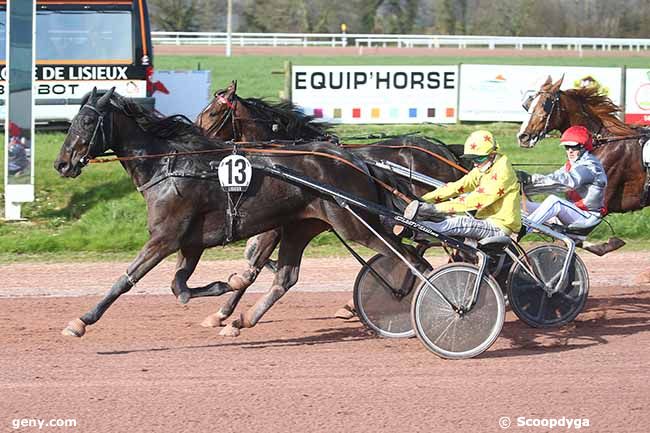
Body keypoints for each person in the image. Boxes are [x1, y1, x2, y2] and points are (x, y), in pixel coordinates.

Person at [393, 130, 521, 240]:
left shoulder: (502, 173)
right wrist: (424, 199)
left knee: (458, 222)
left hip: (499, 226)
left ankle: (414, 231)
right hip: (485, 220)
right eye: (471, 159)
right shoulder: (487, 165)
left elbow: (474, 200)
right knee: (449, 219)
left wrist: (434, 208)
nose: (475, 163)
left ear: (492, 154)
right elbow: (459, 186)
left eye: (478, 159)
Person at [519, 125, 607, 229]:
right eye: (567, 147)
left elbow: (566, 181)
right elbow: (553, 180)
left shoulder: (589, 166)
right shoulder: (571, 164)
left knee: (554, 201)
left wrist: (531, 179)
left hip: (587, 217)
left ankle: (525, 230)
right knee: (520, 205)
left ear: (583, 147)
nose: (570, 151)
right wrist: (524, 187)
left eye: (574, 147)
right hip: (573, 213)